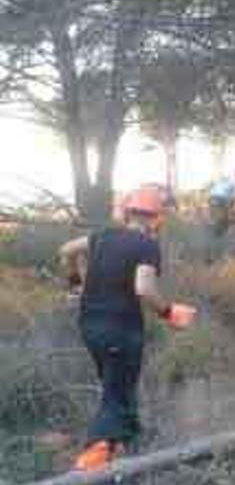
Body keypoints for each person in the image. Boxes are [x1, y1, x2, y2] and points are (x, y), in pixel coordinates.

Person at [58, 187, 196, 471]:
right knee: (116, 393)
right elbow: (144, 288)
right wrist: (169, 312)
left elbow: (65, 250)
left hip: (89, 327)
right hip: (120, 329)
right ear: (157, 219)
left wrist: (74, 282)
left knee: (119, 385)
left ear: (126, 212)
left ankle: (133, 445)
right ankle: (92, 460)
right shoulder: (146, 245)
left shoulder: (101, 237)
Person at [207, 169, 235, 237]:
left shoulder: (228, 180)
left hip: (213, 197)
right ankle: (220, 229)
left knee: (220, 217)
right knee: (222, 219)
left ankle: (219, 229)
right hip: (219, 198)